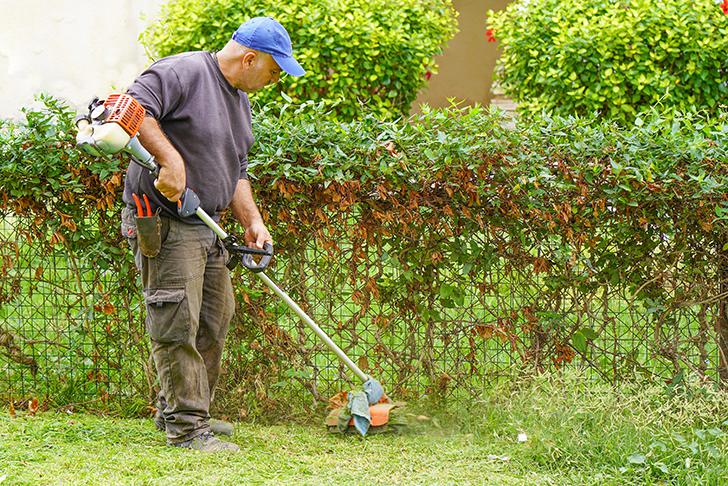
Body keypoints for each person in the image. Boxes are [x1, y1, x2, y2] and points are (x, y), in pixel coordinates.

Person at [120, 17, 305, 452]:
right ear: (250, 58)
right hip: (164, 221)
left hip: (207, 225)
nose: (273, 80)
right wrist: (171, 160)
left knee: (214, 318)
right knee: (176, 322)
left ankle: (186, 410)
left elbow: (235, 170)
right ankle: (186, 429)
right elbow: (131, 108)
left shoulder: (239, 100)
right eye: (274, 71)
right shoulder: (182, 72)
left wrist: (252, 221)